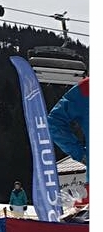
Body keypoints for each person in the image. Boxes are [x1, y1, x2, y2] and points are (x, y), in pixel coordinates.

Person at [47, 76, 89, 206]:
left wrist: (80, 153)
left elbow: (54, 123)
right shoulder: (88, 88)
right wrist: (79, 153)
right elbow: (54, 122)